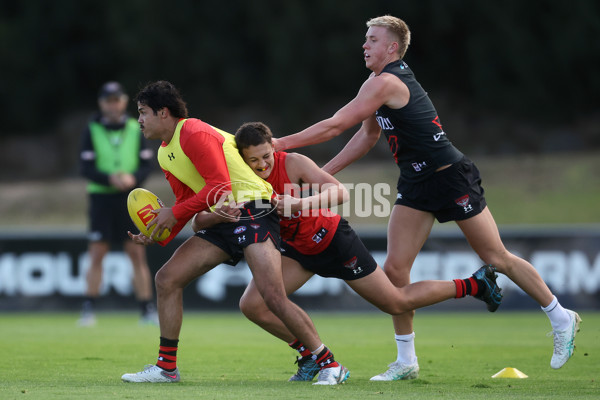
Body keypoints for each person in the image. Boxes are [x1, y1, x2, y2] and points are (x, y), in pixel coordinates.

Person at [273, 15, 581, 379]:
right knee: (395, 271)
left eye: (372, 40)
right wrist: (326, 175)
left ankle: (561, 317)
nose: (364, 45)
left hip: (449, 177)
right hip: (416, 184)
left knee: (495, 256)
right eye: (365, 39)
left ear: (392, 47)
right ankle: (406, 362)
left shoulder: (387, 81)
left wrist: (277, 144)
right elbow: (367, 135)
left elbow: (335, 125)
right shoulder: (374, 82)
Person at [192, 121, 502, 382]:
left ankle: (474, 284)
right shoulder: (238, 181)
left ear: (273, 148)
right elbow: (198, 222)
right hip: (296, 252)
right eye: (253, 161)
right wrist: (221, 212)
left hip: (334, 242)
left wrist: (298, 203)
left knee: (395, 302)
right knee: (253, 305)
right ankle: (311, 355)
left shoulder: (293, 163)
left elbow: (339, 192)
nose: (261, 165)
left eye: (265, 156)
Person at [120, 80, 349, 385]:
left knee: (272, 296)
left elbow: (219, 186)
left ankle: (329, 363)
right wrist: (159, 231)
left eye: (143, 112)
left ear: (163, 113)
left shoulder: (193, 132)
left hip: (255, 208)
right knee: (167, 278)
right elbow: (188, 203)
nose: (139, 120)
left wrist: (173, 214)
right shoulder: (164, 153)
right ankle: (166, 369)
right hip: (223, 216)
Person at [78, 81, 158, 326]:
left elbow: (146, 164)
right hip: (101, 198)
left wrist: (133, 178)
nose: (113, 105)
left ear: (124, 102)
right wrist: (108, 178)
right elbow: (85, 167)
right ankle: (89, 307)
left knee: (136, 252)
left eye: (117, 100)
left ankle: (146, 309)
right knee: (97, 252)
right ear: (102, 104)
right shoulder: (92, 129)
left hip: (130, 198)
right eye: (108, 101)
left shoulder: (136, 128)